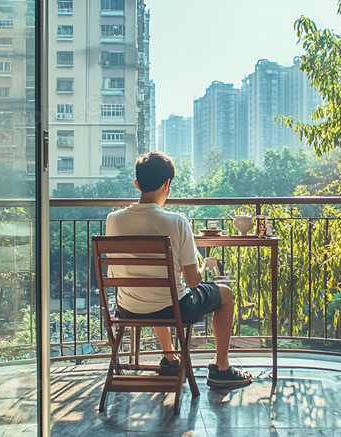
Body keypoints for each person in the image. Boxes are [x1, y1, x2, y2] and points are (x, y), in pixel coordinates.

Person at [105, 150, 252, 388]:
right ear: (167, 184)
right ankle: (222, 368)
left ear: (137, 184)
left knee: (157, 290)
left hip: (128, 308)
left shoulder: (113, 219)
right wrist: (204, 266)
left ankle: (170, 359)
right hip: (172, 308)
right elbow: (193, 282)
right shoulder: (176, 221)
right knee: (225, 294)